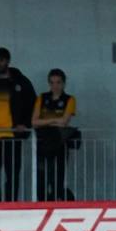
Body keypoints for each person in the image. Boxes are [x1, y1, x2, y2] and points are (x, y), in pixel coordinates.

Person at [0, 47, 36, 201]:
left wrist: (25, 124)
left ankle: (11, 204)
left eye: (1, 60)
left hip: (12, 136)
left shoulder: (21, 82)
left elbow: (32, 105)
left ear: (8, 61)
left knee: (12, 174)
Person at [31, 68, 78, 201]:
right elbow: (34, 122)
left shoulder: (70, 99)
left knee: (57, 178)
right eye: (52, 83)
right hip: (42, 144)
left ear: (64, 84)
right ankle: (41, 207)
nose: (55, 86)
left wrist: (45, 122)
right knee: (41, 179)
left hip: (59, 144)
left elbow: (64, 122)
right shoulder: (42, 98)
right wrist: (54, 120)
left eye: (58, 82)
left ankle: (56, 205)